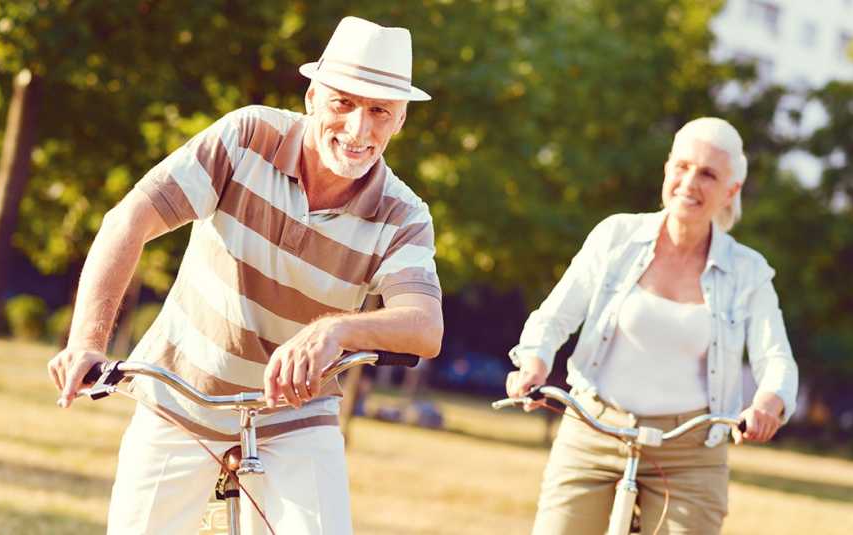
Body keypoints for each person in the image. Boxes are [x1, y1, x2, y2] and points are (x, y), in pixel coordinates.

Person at [47, 16, 443, 534]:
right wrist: (86, 342)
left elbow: (424, 326)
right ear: (312, 98)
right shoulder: (247, 136)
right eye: (343, 103)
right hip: (181, 395)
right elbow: (130, 220)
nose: (357, 129)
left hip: (296, 416)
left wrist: (335, 330)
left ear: (400, 121)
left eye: (379, 111)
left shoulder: (404, 214)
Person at [506, 117, 798, 535]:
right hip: (593, 430)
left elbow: (776, 358)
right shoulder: (616, 236)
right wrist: (534, 363)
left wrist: (769, 403)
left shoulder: (747, 271)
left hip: (691, 454)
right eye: (682, 166)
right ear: (666, 169)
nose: (689, 182)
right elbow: (554, 317)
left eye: (708, 174)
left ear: (731, 191)